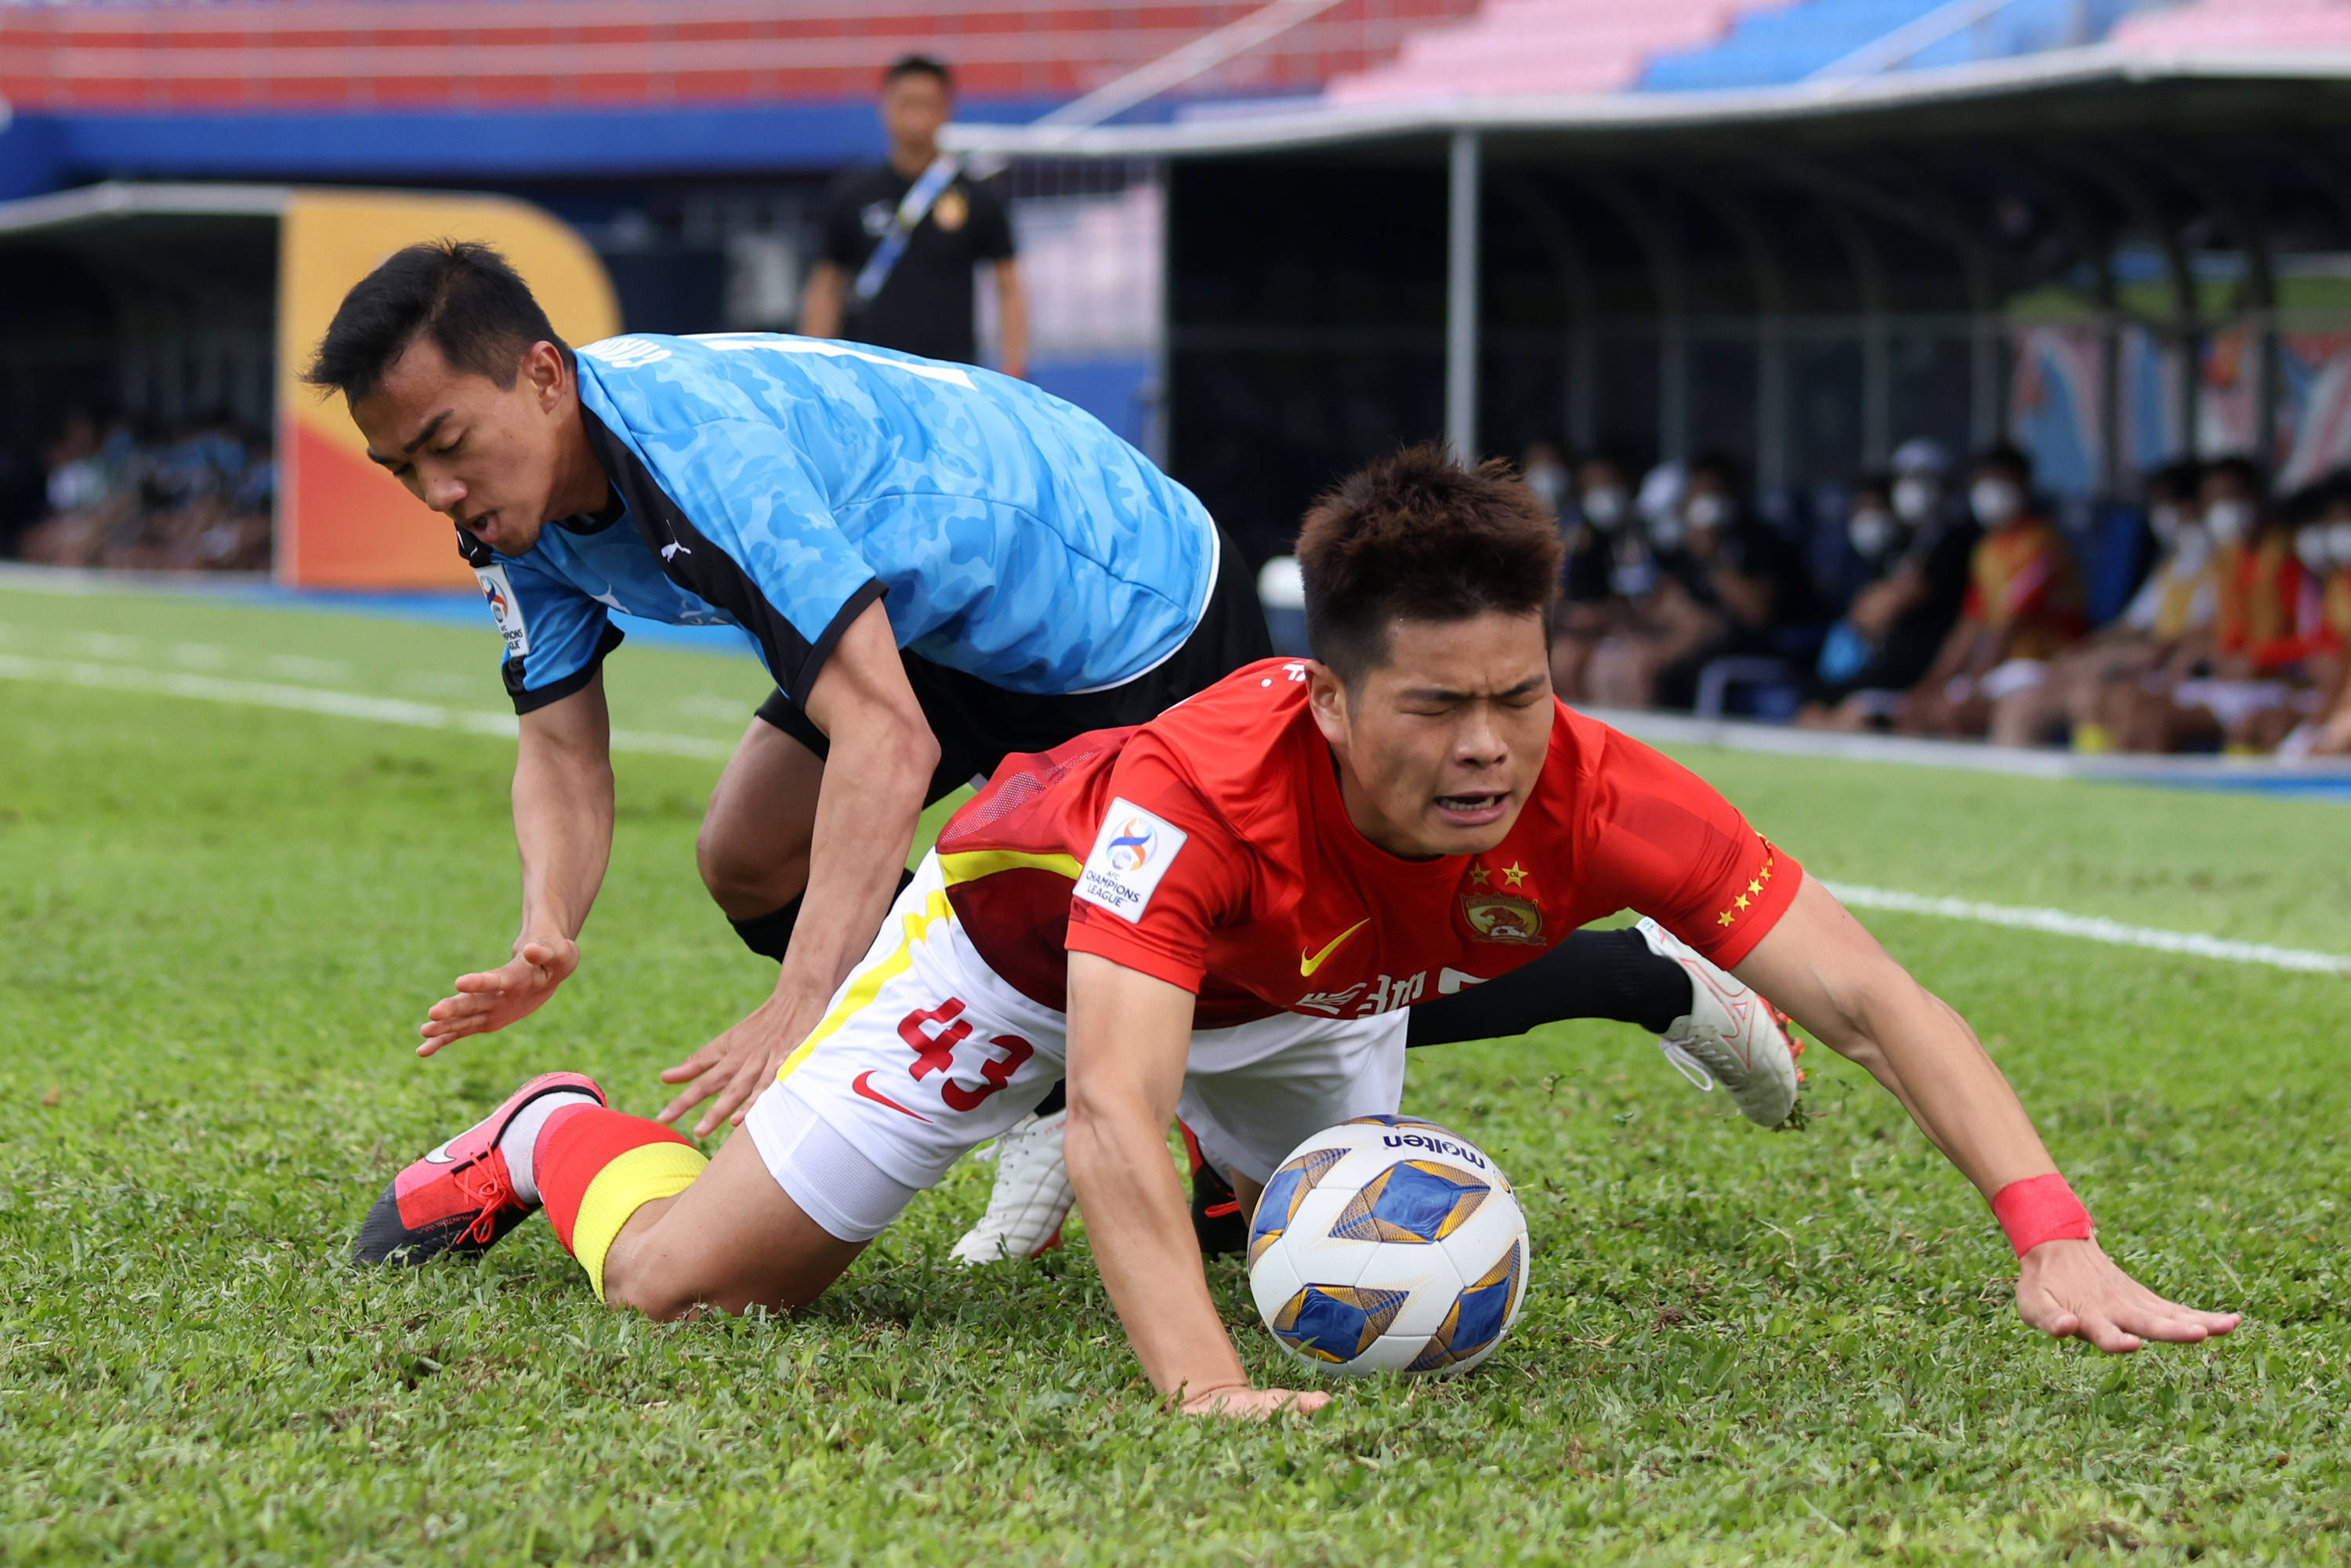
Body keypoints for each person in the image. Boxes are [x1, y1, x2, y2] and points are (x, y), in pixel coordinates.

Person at [357, 447, 2236, 1420]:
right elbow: (1098, 1100)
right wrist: (1200, 1391)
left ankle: (1246, 1159)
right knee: (689, 1282)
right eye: (1435, 707)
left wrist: (2051, 1241)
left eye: (1518, 691)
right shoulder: (1201, 789)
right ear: (1322, 693)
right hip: (1014, 954)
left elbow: (1873, 995)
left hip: (1302, 1002)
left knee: (1288, 1173)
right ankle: (548, 1129)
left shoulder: (1589, 778)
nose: (1489, 744)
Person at [306, 241, 1796, 1254]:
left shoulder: (694, 459)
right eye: (405, 466)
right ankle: (1041, 1098)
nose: (440, 486)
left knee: (1223, 965)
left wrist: (803, 1017)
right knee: (746, 849)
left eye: (451, 441)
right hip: (943, 621)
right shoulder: (507, 520)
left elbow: (881, 744)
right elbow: (563, 745)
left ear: (548, 380)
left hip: (1117, 598)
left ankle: (1636, 973)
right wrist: (546, 931)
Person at [798, 56, 1026, 378]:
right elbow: (827, 285)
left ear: (946, 109)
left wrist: (1014, 367)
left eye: (926, 103)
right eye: (907, 102)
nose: (916, 115)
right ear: (886, 107)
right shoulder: (854, 195)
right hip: (870, 372)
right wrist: (813, 365)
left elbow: (1009, 286)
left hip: (951, 376)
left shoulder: (977, 197)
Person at [1896, 445, 2083, 746]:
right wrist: (1931, 683)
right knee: (1918, 711)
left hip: (2040, 664)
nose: (1990, 492)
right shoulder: (1986, 550)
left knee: (1954, 712)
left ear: (2023, 487)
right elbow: (1970, 625)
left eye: (2001, 481)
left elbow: (2012, 624)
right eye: (1984, 482)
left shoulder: (2041, 543)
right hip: (1998, 669)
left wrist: (1975, 681)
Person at [1799, 440, 1981, 731]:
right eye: (1907, 480)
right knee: (1811, 707)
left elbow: (1904, 598)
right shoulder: (1901, 542)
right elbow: (1865, 613)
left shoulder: (1955, 542)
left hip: (1918, 668)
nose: (1915, 489)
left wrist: (1890, 600)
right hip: (1882, 662)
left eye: (1925, 480)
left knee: (1853, 717)